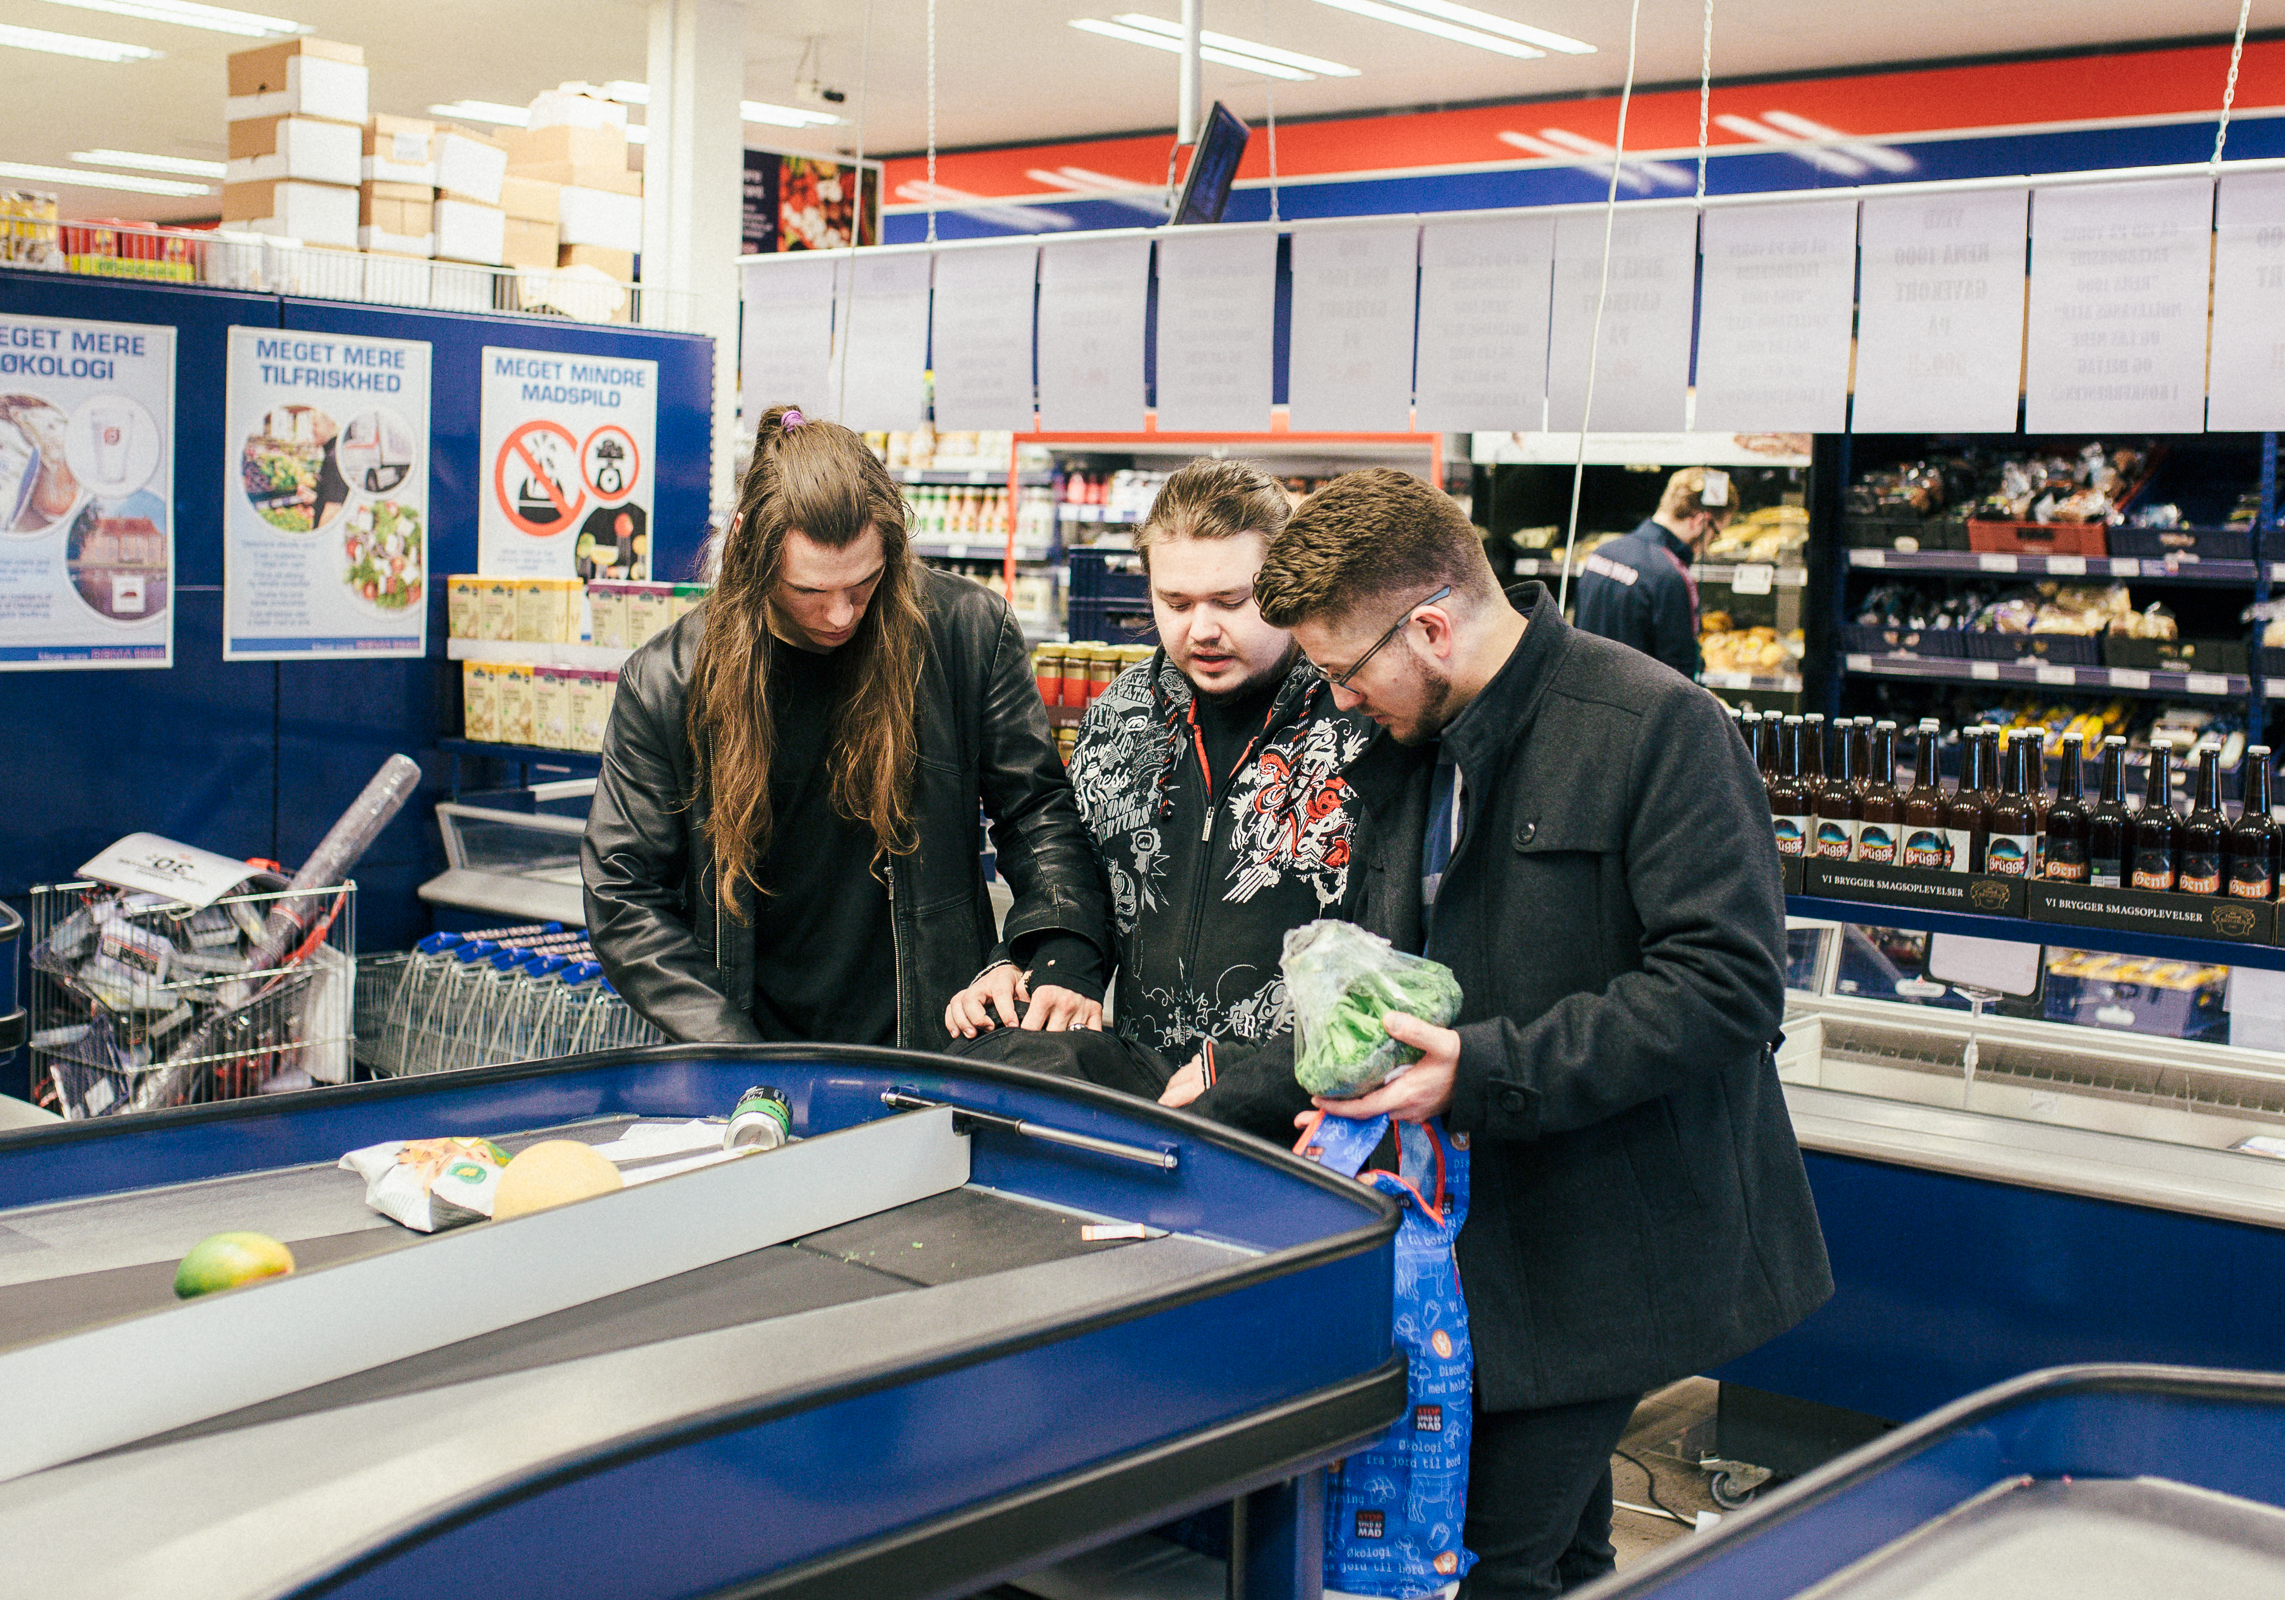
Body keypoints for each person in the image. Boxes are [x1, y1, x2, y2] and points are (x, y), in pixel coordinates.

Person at [1224, 467, 1832, 1599]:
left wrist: (1483, 1070)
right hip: (1474, 1248)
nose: (1340, 701)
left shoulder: (1657, 728)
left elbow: (1729, 984)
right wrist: (1231, 1090)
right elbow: (1388, 975)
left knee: (1485, 1553)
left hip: (1611, 1243)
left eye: (1346, 672)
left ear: (1433, 626)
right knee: (1565, 1553)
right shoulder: (1407, 750)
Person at [581, 404, 1111, 1050]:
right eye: (809, 591)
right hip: (746, 1044)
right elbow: (624, 893)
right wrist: (732, 1051)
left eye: (864, 584)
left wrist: (1057, 948)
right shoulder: (669, 679)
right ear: (748, 548)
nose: (839, 615)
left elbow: (1036, 813)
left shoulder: (964, 631)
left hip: (932, 1039)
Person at [943, 459, 1424, 1098]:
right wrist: (1031, 967)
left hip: (1303, 1100)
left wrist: (1254, 1070)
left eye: (1231, 601)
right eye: (1175, 602)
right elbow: (1082, 882)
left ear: (1284, 585)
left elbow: (1400, 954)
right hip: (1150, 1092)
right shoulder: (1120, 717)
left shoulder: (1363, 714)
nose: (1201, 630)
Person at [1570, 466, 1740, 681]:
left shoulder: (1602, 553)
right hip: (1635, 707)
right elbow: (1680, 673)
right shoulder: (1670, 576)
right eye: (1715, 535)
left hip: (1585, 696)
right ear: (1701, 522)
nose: (1709, 546)